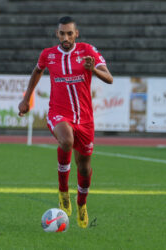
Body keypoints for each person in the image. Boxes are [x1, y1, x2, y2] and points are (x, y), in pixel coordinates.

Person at [18, 16, 113, 228]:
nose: (66, 37)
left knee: (85, 167)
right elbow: (37, 71)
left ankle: (81, 203)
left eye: (70, 33)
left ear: (76, 34)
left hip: (85, 119)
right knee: (66, 140)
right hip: (58, 113)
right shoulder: (48, 54)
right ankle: (63, 191)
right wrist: (26, 99)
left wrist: (93, 70)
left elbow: (109, 78)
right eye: (62, 33)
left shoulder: (88, 51)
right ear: (57, 34)